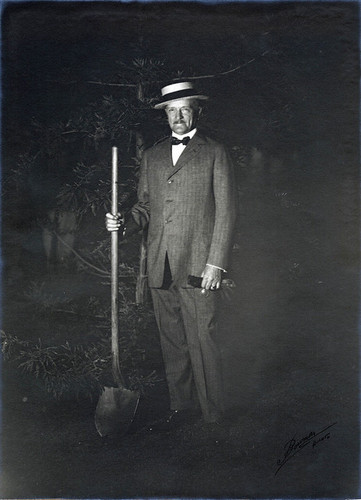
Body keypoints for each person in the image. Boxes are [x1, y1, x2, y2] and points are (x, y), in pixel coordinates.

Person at [106, 81, 236, 427]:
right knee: (172, 340)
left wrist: (216, 263)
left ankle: (214, 417)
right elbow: (144, 208)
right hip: (160, 264)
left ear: (197, 111)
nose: (178, 117)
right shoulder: (153, 156)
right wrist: (123, 222)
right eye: (171, 110)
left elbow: (226, 211)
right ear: (165, 115)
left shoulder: (214, 152)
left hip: (199, 264)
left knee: (203, 338)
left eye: (185, 109)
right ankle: (182, 408)